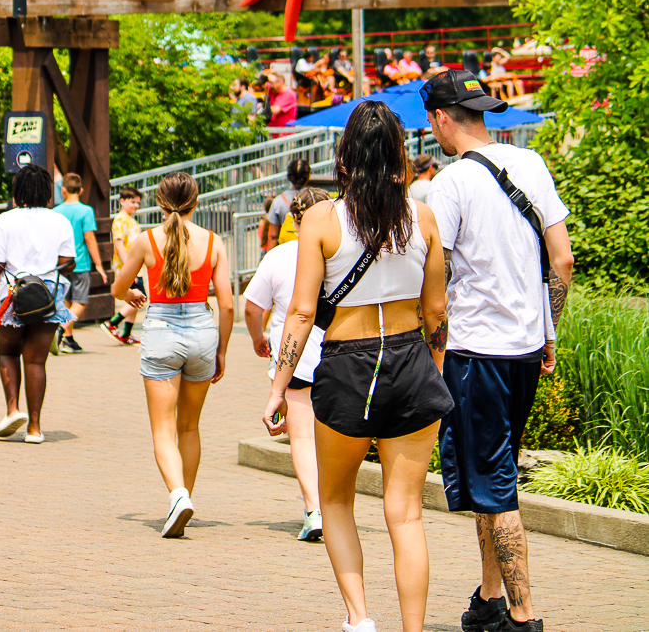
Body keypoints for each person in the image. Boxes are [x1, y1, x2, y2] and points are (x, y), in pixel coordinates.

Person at [263, 101, 453, 632]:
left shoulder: (323, 218)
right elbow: (437, 311)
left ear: (345, 157)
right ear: (398, 154)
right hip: (411, 358)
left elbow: (301, 312)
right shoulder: (424, 218)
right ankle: (412, 629)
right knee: (407, 513)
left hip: (348, 365)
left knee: (335, 500)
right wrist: (431, 367)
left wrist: (279, 387)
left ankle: (360, 618)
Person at [422, 70, 574, 632]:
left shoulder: (450, 184)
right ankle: (489, 599)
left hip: (474, 352)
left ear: (439, 118)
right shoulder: (530, 164)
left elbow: (434, 276)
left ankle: (522, 615)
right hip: (526, 349)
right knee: (496, 473)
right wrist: (546, 331)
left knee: (494, 482)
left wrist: (432, 352)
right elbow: (562, 261)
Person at [112, 172, 234, 538]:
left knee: (163, 430)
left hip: (162, 332)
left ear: (159, 203)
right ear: (196, 203)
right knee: (189, 427)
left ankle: (177, 495)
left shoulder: (146, 240)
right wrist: (222, 351)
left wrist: (132, 295)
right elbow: (227, 305)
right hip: (202, 332)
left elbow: (119, 287)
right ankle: (184, 501)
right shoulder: (213, 242)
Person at [245, 187, 332, 542]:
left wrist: (257, 339)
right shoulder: (343, 254)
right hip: (339, 352)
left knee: (301, 437)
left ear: (295, 219)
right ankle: (335, 504)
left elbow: (252, 307)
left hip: (292, 356)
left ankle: (314, 509)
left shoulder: (278, 257)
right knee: (334, 436)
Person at [0, 165, 75, 444]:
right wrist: (46, 268)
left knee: (8, 352)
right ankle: (34, 428)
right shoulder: (60, 221)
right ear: (48, 191)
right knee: (36, 361)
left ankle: (13, 410)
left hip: (13, 296)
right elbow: (69, 262)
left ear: (17, 190)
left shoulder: (5, 220)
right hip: (47, 296)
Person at [54, 172, 108, 352]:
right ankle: (61, 328)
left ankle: (68, 340)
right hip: (80, 262)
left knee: (67, 300)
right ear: (81, 190)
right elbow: (90, 238)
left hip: (61, 263)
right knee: (81, 301)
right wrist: (99, 265)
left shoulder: (55, 212)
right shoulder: (86, 211)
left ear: (63, 190)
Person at [101, 186, 145, 345]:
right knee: (140, 297)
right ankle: (113, 322)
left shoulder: (132, 221)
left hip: (135, 267)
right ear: (122, 201)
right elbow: (119, 244)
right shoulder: (120, 219)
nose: (135, 206)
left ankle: (126, 334)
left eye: (138, 203)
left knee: (136, 299)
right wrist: (129, 266)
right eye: (132, 202)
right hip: (127, 267)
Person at [266, 159, 311, 250]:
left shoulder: (278, 201)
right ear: (308, 176)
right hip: (309, 250)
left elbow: (273, 236)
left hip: (285, 252)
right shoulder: (315, 198)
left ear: (289, 177)